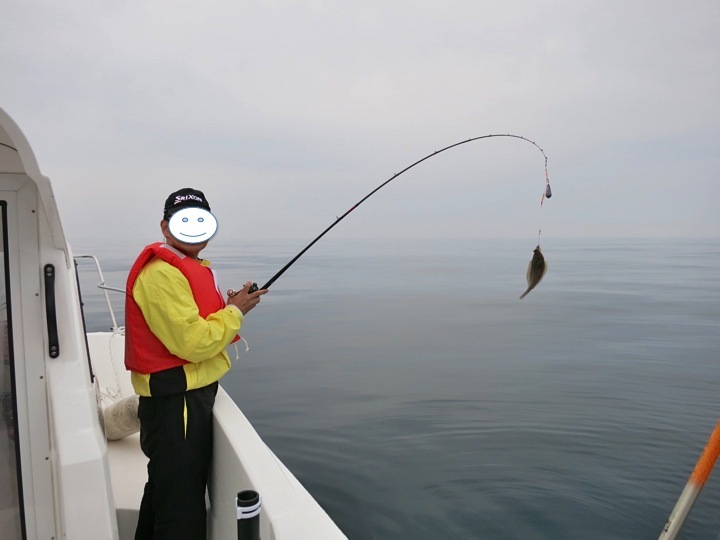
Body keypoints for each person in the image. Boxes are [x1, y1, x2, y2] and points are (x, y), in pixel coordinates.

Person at [125, 188, 267, 539]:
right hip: (177, 403)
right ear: (165, 225)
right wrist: (235, 312)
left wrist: (228, 305)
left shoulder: (185, 268)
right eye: (183, 220)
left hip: (186, 395)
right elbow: (194, 342)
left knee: (165, 490)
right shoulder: (161, 274)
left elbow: (193, 326)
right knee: (182, 507)